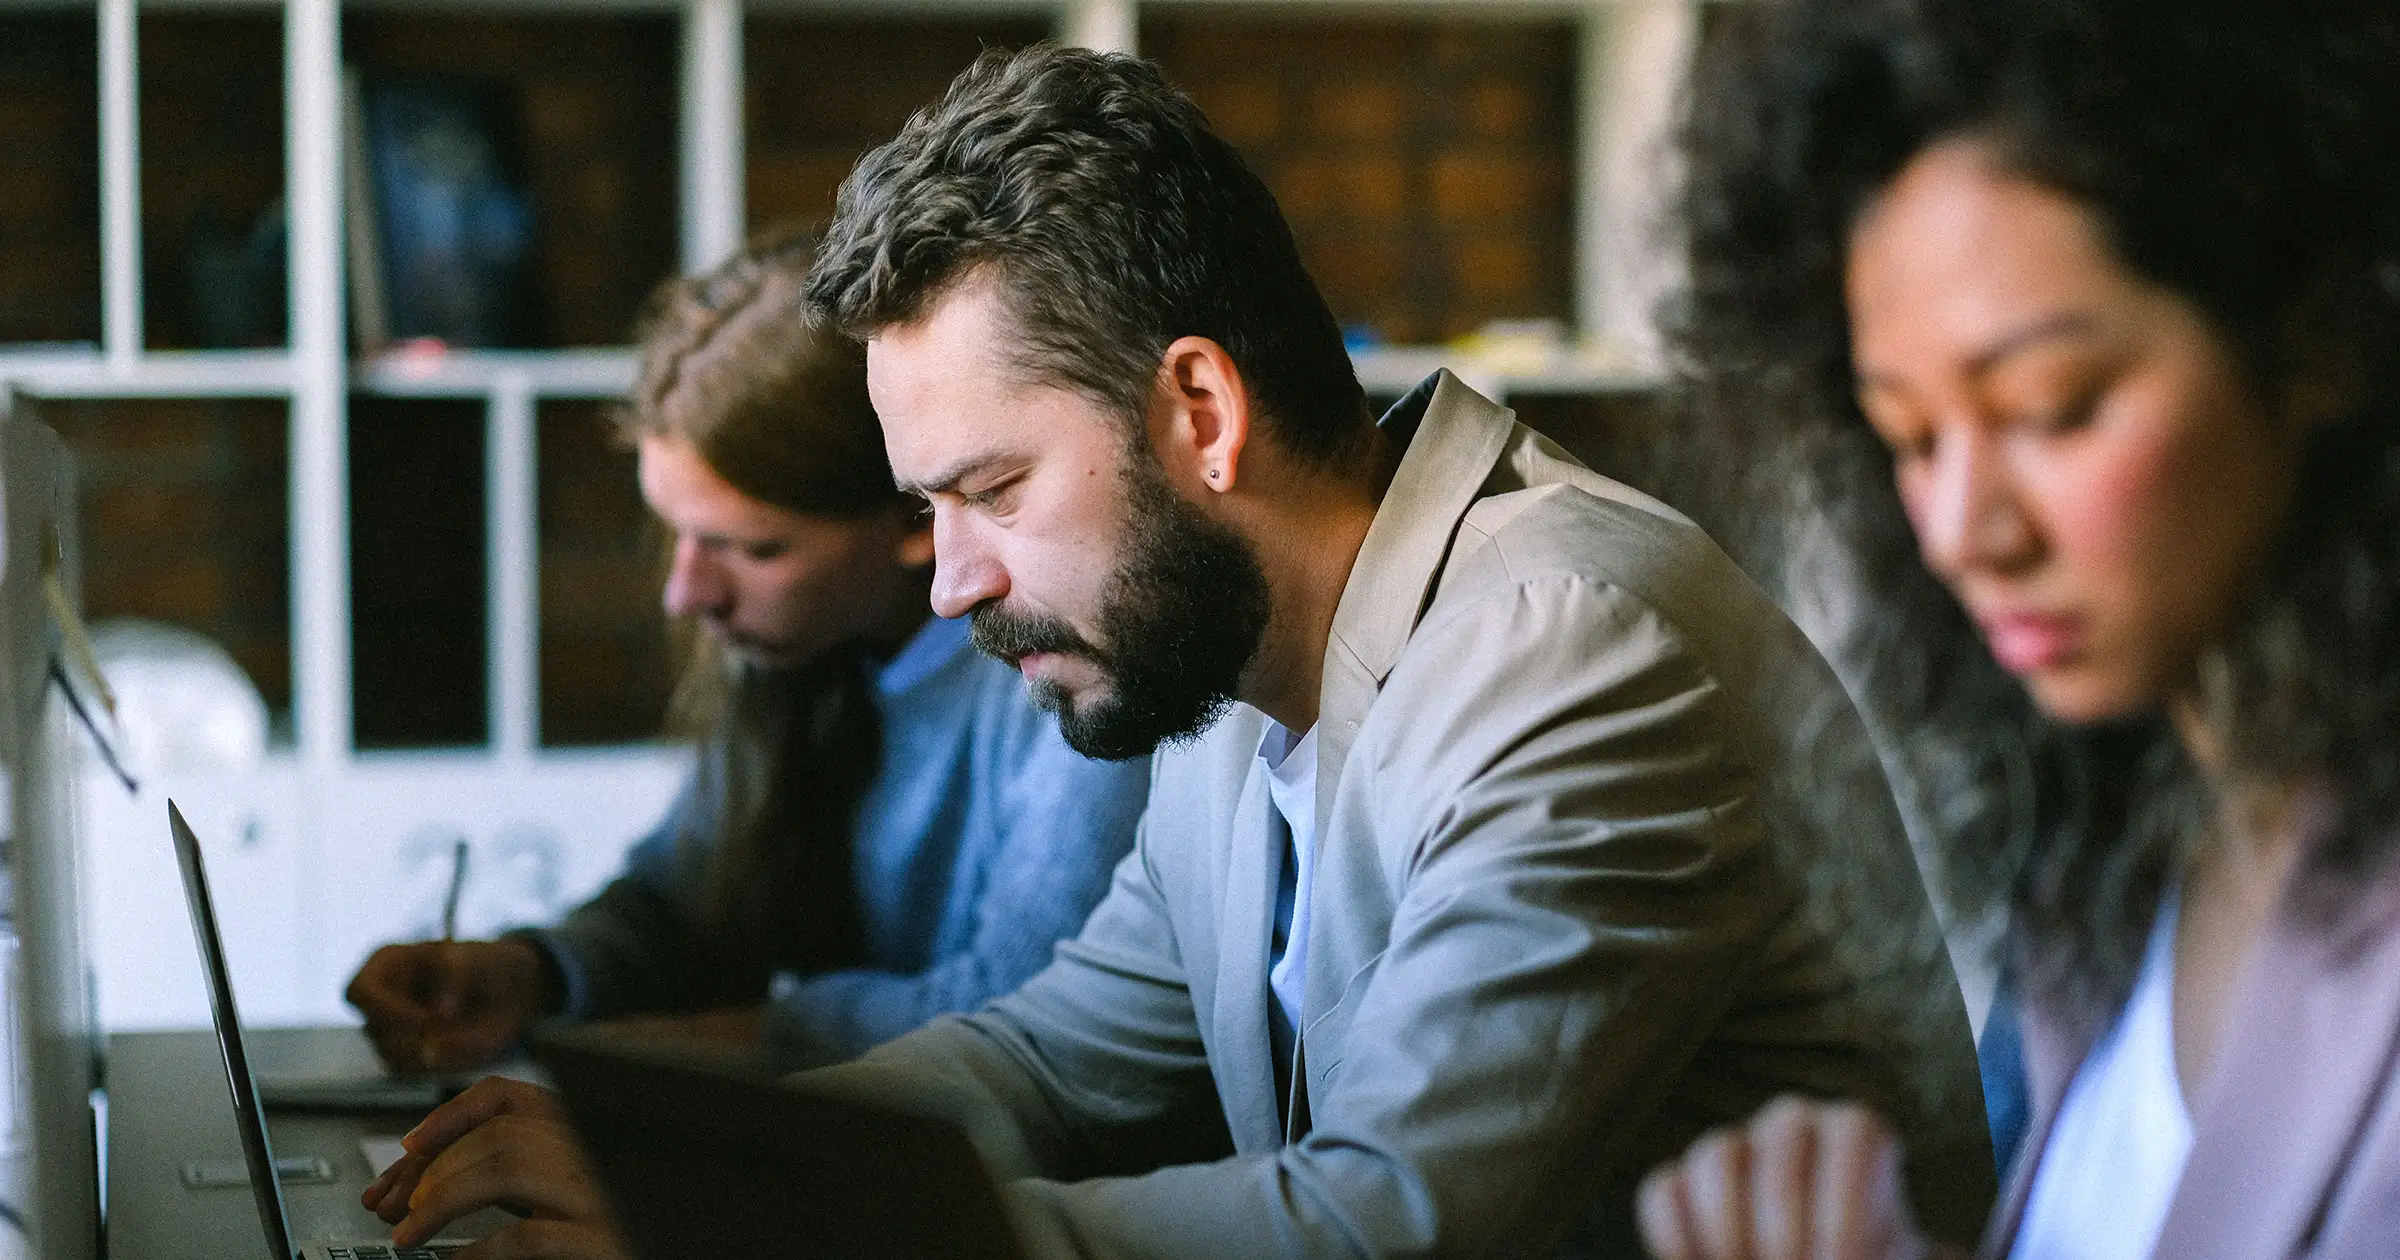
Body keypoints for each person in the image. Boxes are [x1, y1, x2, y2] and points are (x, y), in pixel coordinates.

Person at [361, 46, 1991, 1259]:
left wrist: (767, 1233)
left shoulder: (1564, 653)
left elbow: (1382, 1226)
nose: (952, 584)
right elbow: (1053, 1057)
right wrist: (680, 1164)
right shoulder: (1231, 665)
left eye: (991, 491)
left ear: (1199, 415)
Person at [1635, 2, 2400, 1257]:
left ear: (2320, 336)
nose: (1958, 532)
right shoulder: (2111, 866)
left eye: (2053, 409)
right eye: (1911, 438)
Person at [343, 233, 1150, 1074]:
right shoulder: (804, 653)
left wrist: (753, 1036)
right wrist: (530, 972)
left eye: (751, 548)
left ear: (918, 512)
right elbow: (686, 906)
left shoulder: (1066, 676)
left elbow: (1023, 1010)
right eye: (679, 535)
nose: (686, 594)